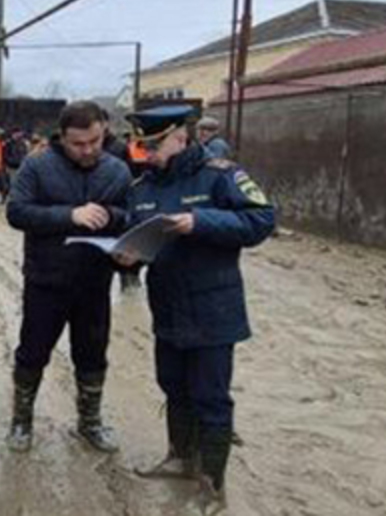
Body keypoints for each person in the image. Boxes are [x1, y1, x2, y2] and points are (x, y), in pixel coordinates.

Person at [118, 105, 274, 511]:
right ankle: (179, 457)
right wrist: (127, 256)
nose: (147, 154)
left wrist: (201, 221)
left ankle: (212, 482)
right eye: (142, 146)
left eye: (154, 146)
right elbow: (136, 234)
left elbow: (262, 220)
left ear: (179, 138)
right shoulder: (143, 188)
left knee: (211, 396)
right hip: (167, 307)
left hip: (213, 308)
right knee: (173, 385)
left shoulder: (221, 175)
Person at [5, 100, 132, 454]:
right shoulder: (38, 166)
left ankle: (90, 422)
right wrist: (69, 216)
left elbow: (131, 213)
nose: (89, 149)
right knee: (33, 352)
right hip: (47, 279)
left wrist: (112, 216)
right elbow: (16, 211)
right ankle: (21, 420)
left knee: (92, 355)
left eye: (95, 140)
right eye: (79, 144)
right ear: (63, 137)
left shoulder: (118, 170)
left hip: (95, 280)